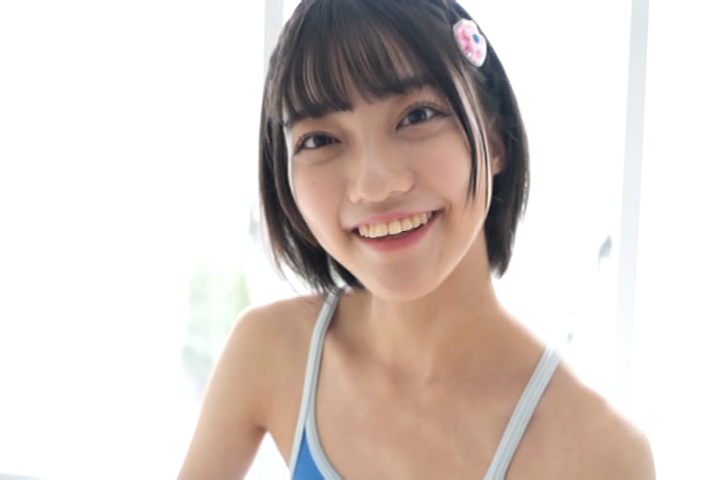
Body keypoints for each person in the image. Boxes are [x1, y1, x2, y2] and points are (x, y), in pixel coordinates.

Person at [179, 0, 655, 478]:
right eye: (320, 140)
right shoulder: (271, 351)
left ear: (494, 140)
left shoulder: (599, 451)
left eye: (418, 115)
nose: (375, 184)